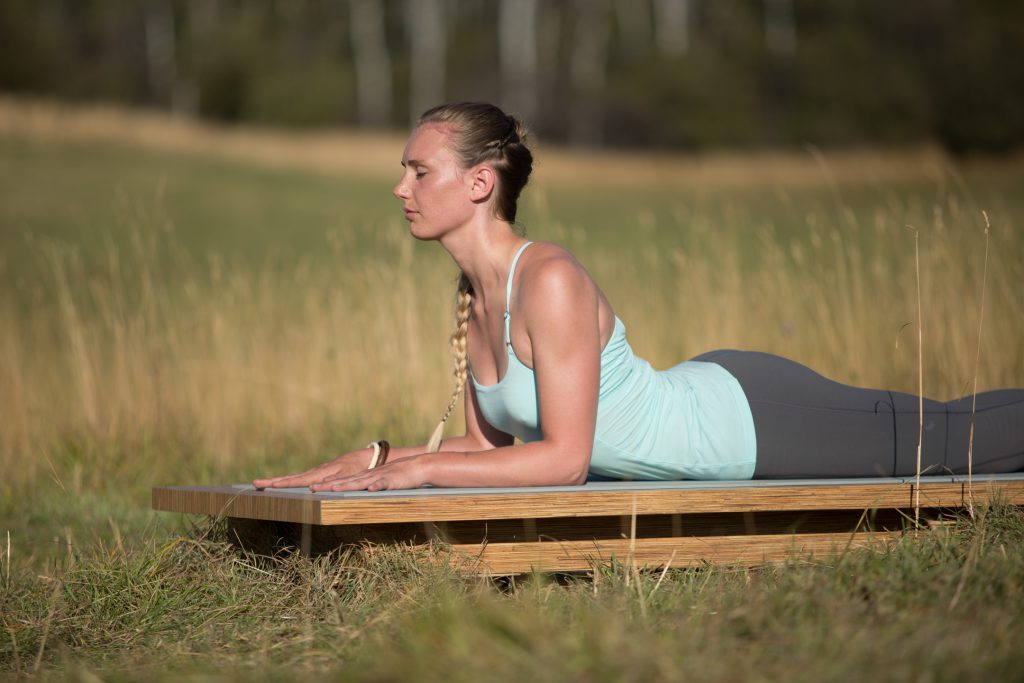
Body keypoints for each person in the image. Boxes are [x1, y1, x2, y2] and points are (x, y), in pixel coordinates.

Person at [254, 102, 1024, 493]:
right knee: (952, 435)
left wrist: (418, 473)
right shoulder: (475, 293)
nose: (401, 187)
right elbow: (491, 451)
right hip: (714, 404)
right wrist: (385, 456)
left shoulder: (547, 281)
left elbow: (562, 460)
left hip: (746, 426)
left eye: (420, 171)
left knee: (953, 440)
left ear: (479, 183)